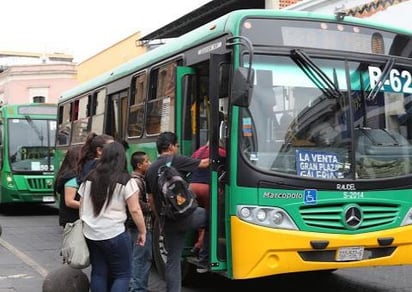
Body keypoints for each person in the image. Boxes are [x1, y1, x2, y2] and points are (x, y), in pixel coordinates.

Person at [78, 141, 146, 292]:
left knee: (99, 272)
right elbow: (135, 209)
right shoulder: (126, 180)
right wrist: (142, 231)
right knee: (122, 275)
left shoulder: (90, 177)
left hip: (91, 233)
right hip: (114, 233)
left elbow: (82, 206)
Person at [145, 131, 209, 292]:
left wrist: (160, 219)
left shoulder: (150, 169)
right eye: (177, 145)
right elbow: (204, 164)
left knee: (173, 260)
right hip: (187, 216)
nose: (178, 148)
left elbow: (151, 199)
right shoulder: (176, 160)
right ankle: (204, 256)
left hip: (167, 220)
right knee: (213, 218)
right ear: (171, 146)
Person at [188, 141, 226, 259]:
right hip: (207, 189)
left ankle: (196, 244)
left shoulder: (197, 152)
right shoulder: (222, 152)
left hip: (192, 187)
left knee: (201, 219)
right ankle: (200, 247)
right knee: (211, 220)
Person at [63, 133, 114, 211]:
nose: (116, 150)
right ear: (99, 150)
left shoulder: (89, 165)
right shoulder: (96, 166)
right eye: (112, 148)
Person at [126, 151, 153, 292]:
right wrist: (151, 207)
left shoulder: (137, 179)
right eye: (147, 161)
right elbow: (136, 205)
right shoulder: (136, 181)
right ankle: (138, 288)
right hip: (140, 226)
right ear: (139, 165)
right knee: (142, 259)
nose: (149, 163)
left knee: (137, 258)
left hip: (135, 226)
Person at [53, 146, 81, 227]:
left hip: (71, 220)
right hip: (73, 221)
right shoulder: (72, 177)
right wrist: (88, 206)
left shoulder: (67, 175)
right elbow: (69, 202)